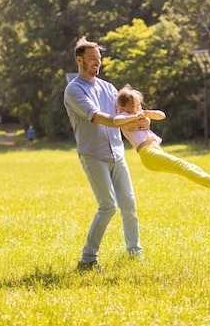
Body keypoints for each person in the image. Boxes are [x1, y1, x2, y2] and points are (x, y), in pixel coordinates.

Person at [64, 36, 148, 270]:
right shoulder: (74, 90)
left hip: (117, 154)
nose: (97, 63)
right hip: (93, 155)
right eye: (92, 59)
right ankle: (88, 259)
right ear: (79, 60)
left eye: (98, 59)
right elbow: (103, 118)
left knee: (129, 204)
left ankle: (135, 254)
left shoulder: (107, 87)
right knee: (108, 205)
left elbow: (121, 116)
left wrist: (140, 122)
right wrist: (131, 119)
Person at [113, 85, 210, 198]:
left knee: (186, 167)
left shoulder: (139, 113)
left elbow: (162, 115)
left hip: (154, 150)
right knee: (182, 165)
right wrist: (135, 115)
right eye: (132, 105)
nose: (137, 108)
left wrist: (147, 113)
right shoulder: (124, 116)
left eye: (138, 105)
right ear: (122, 107)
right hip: (147, 153)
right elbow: (116, 121)